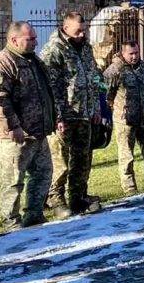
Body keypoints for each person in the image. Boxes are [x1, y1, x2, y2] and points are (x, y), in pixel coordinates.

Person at [0, 22, 56, 230]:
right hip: (15, 135)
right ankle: (11, 222)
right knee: (13, 179)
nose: (35, 42)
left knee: (43, 172)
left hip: (38, 131)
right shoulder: (2, 63)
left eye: (35, 38)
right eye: (30, 39)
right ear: (14, 40)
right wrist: (13, 126)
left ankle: (34, 215)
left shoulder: (33, 60)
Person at [41, 12, 104, 216]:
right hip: (65, 115)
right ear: (65, 27)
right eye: (77, 31)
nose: (81, 34)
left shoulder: (86, 48)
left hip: (84, 113)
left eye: (83, 30)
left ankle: (78, 198)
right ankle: (56, 199)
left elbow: (94, 79)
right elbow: (51, 86)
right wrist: (58, 115)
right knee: (60, 162)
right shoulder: (54, 49)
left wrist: (95, 108)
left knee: (82, 159)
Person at [104, 40, 144, 195]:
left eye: (136, 52)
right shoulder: (115, 70)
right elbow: (106, 95)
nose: (134, 56)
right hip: (125, 121)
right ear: (123, 53)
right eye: (131, 53)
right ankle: (130, 188)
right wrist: (117, 110)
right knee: (127, 155)